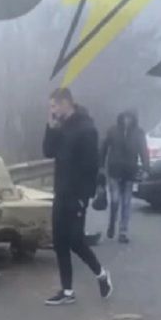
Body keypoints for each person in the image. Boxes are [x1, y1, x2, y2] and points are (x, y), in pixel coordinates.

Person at [42, 87, 112, 305]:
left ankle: (102, 274)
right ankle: (67, 291)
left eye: (54, 106)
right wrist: (51, 128)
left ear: (66, 103)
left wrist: (85, 196)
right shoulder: (61, 127)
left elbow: (91, 166)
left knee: (75, 241)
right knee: (59, 242)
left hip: (77, 195)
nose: (52, 110)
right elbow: (48, 152)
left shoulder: (86, 129)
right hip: (61, 192)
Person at [99, 109, 150, 243]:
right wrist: (101, 166)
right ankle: (112, 222)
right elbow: (103, 147)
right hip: (114, 170)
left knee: (126, 202)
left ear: (133, 119)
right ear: (121, 118)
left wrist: (146, 168)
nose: (127, 120)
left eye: (129, 118)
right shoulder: (113, 131)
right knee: (115, 200)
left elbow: (144, 151)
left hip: (129, 171)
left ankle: (123, 231)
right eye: (125, 118)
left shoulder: (139, 133)